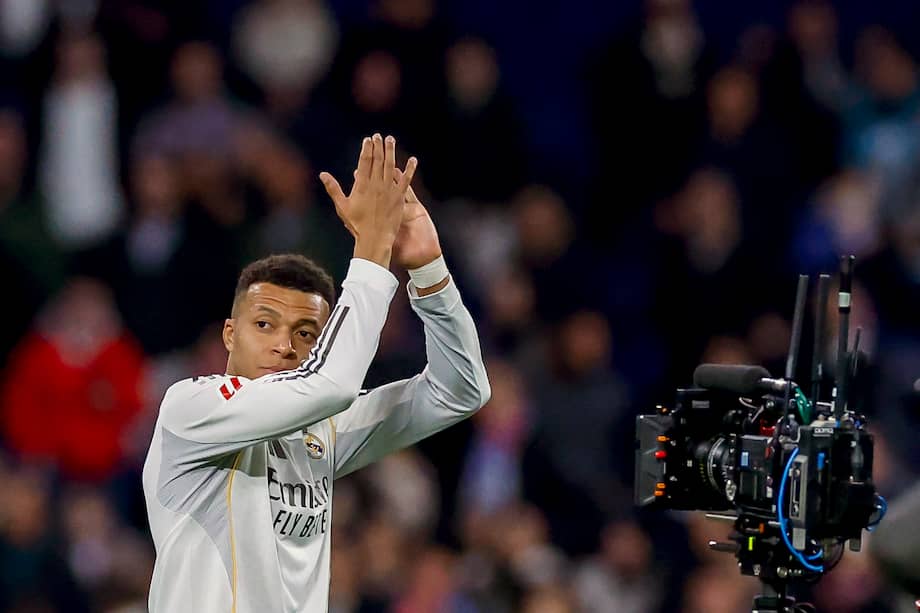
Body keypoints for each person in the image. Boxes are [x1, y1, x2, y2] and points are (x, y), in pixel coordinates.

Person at [142, 133, 491, 612]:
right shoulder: (191, 407)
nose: (284, 345)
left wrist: (429, 268)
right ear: (229, 334)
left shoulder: (323, 429)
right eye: (264, 324)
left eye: (307, 334)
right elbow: (331, 384)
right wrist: (373, 249)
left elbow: (460, 392)